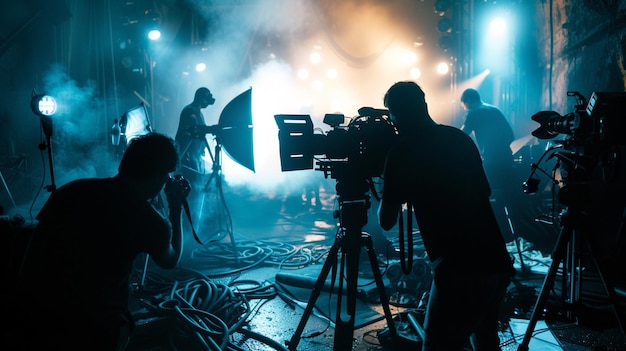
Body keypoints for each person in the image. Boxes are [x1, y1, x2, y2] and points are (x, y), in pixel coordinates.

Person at [4, 132, 190, 350]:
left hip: (26, 318)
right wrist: (175, 207)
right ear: (160, 177)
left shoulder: (70, 190)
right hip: (89, 332)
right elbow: (171, 260)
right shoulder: (148, 220)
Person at [378, 81, 514, 351]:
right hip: (496, 260)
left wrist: (387, 179)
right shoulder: (459, 138)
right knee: (486, 341)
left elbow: (386, 221)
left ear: (394, 116)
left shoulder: (401, 153)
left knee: (437, 346)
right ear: (425, 106)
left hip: (459, 271)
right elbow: (483, 191)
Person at [460, 88, 515, 190]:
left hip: (491, 160)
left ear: (469, 100)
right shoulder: (496, 110)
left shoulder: (474, 112)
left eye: (465, 106)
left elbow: (461, 135)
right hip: (507, 157)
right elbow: (511, 135)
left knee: (491, 192)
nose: (466, 109)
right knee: (507, 193)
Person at [175, 87, 215, 187]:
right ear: (201, 98)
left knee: (197, 182)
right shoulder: (190, 111)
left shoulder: (199, 113)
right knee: (191, 184)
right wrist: (211, 129)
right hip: (187, 155)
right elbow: (195, 130)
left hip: (195, 155)